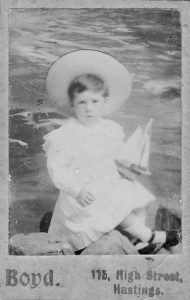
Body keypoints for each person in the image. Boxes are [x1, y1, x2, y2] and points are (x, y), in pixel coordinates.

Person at [43, 50, 180, 254]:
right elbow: (58, 171)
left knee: (138, 195)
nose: (89, 108)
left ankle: (138, 241)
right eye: (82, 102)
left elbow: (118, 155)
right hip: (82, 197)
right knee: (114, 206)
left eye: (95, 101)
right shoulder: (64, 136)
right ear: (72, 104)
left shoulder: (109, 129)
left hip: (105, 184)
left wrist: (132, 162)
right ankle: (149, 237)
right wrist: (77, 190)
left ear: (105, 101)